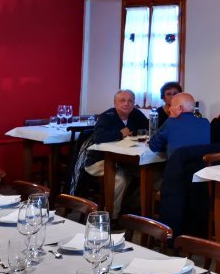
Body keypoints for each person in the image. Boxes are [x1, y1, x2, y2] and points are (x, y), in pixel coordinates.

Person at [84, 89, 148, 217]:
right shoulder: (107, 117)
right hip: (99, 161)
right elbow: (98, 138)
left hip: (124, 160)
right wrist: (120, 133)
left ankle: (131, 210)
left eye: (130, 101)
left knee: (146, 175)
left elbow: (148, 129)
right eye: (122, 100)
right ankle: (111, 216)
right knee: (121, 178)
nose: (127, 103)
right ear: (115, 103)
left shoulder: (136, 114)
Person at [149, 92, 210, 159]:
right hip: (201, 165)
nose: (169, 109)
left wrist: (170, 118)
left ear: (180, 108)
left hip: (177, 165)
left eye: (171, 106)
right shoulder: (206, 123)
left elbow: (153, 146)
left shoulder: (170, 123)